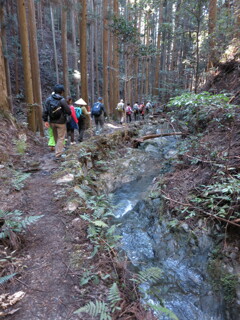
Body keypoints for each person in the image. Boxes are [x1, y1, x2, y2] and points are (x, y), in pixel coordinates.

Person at [42, 84, 71, 160]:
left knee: (56, 137)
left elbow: (45, 111)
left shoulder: (48, 99)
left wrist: (45, 120)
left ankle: (57, 151)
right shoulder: (62, 100)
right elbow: (69, 111)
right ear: (62, 92)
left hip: (52, 121)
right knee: (61, 138)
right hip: (61, 122)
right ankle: (58, 154)